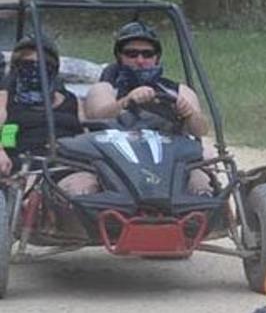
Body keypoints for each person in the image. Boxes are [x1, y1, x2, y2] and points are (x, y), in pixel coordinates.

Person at [84, 20, 212, 195]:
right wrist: (127, 101)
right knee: (84, 188)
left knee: (203, 186)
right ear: (119, 57)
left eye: (147, 54)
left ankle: (214, 220)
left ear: (156, 58)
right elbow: (95, 115)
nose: (140, 60)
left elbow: (201, 130)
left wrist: (189, 113)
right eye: (131, 54)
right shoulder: (105, 89)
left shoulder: (178, 90)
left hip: (172, 163)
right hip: (115, 162)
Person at [0, 34, 95, 194]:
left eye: (44, 65)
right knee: (34, 193)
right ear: (16, 67)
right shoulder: (5, 96)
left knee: (85, 188)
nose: (36, 70)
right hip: (25, 166)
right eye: (27, 64)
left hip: (68, 166)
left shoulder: (72, 100)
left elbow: (86, 135)